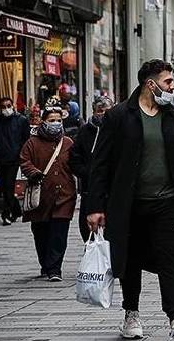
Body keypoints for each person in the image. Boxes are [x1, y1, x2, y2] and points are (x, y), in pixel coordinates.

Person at [85, 60, 174, 341]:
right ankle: (131, 314)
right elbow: (100, 164)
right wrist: (94, 207)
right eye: (167, 83)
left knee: (170, 260)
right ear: (150, 84)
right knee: (130, 262)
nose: (172, 88)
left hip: (167, 204)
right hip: (128, 205)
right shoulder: (118, 117)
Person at [20, 98, 75, 281]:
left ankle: (54, 269)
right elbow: (24, 161)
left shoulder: (67, 143)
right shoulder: (32, 143)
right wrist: (34, 172)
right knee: (41, 233)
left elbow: (77, 163)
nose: (56, 123)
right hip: (41, 197)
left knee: (59, 234)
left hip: (64, 196)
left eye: (58, 120)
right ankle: (45, 264)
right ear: (43, 121)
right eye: (51, 120)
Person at [70, 95, 113, 241]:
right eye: (100, 111)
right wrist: (88, 173)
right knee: (88, 232)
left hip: (113, 191)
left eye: (107, 111)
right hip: (90, 190)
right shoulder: (84, 132)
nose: (103, 114)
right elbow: (74, 160)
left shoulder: (119, 131)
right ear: (94, 112)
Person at [0, 96, 31, 225]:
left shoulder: (20, 120)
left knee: (9, 186)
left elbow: (27, 139)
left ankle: (6, 214)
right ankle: (16, 210)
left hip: (14, 159)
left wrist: (23, 155)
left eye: (8, 106)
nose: (6, 109)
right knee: (4, 187)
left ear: (13, 106)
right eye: (3, 107)